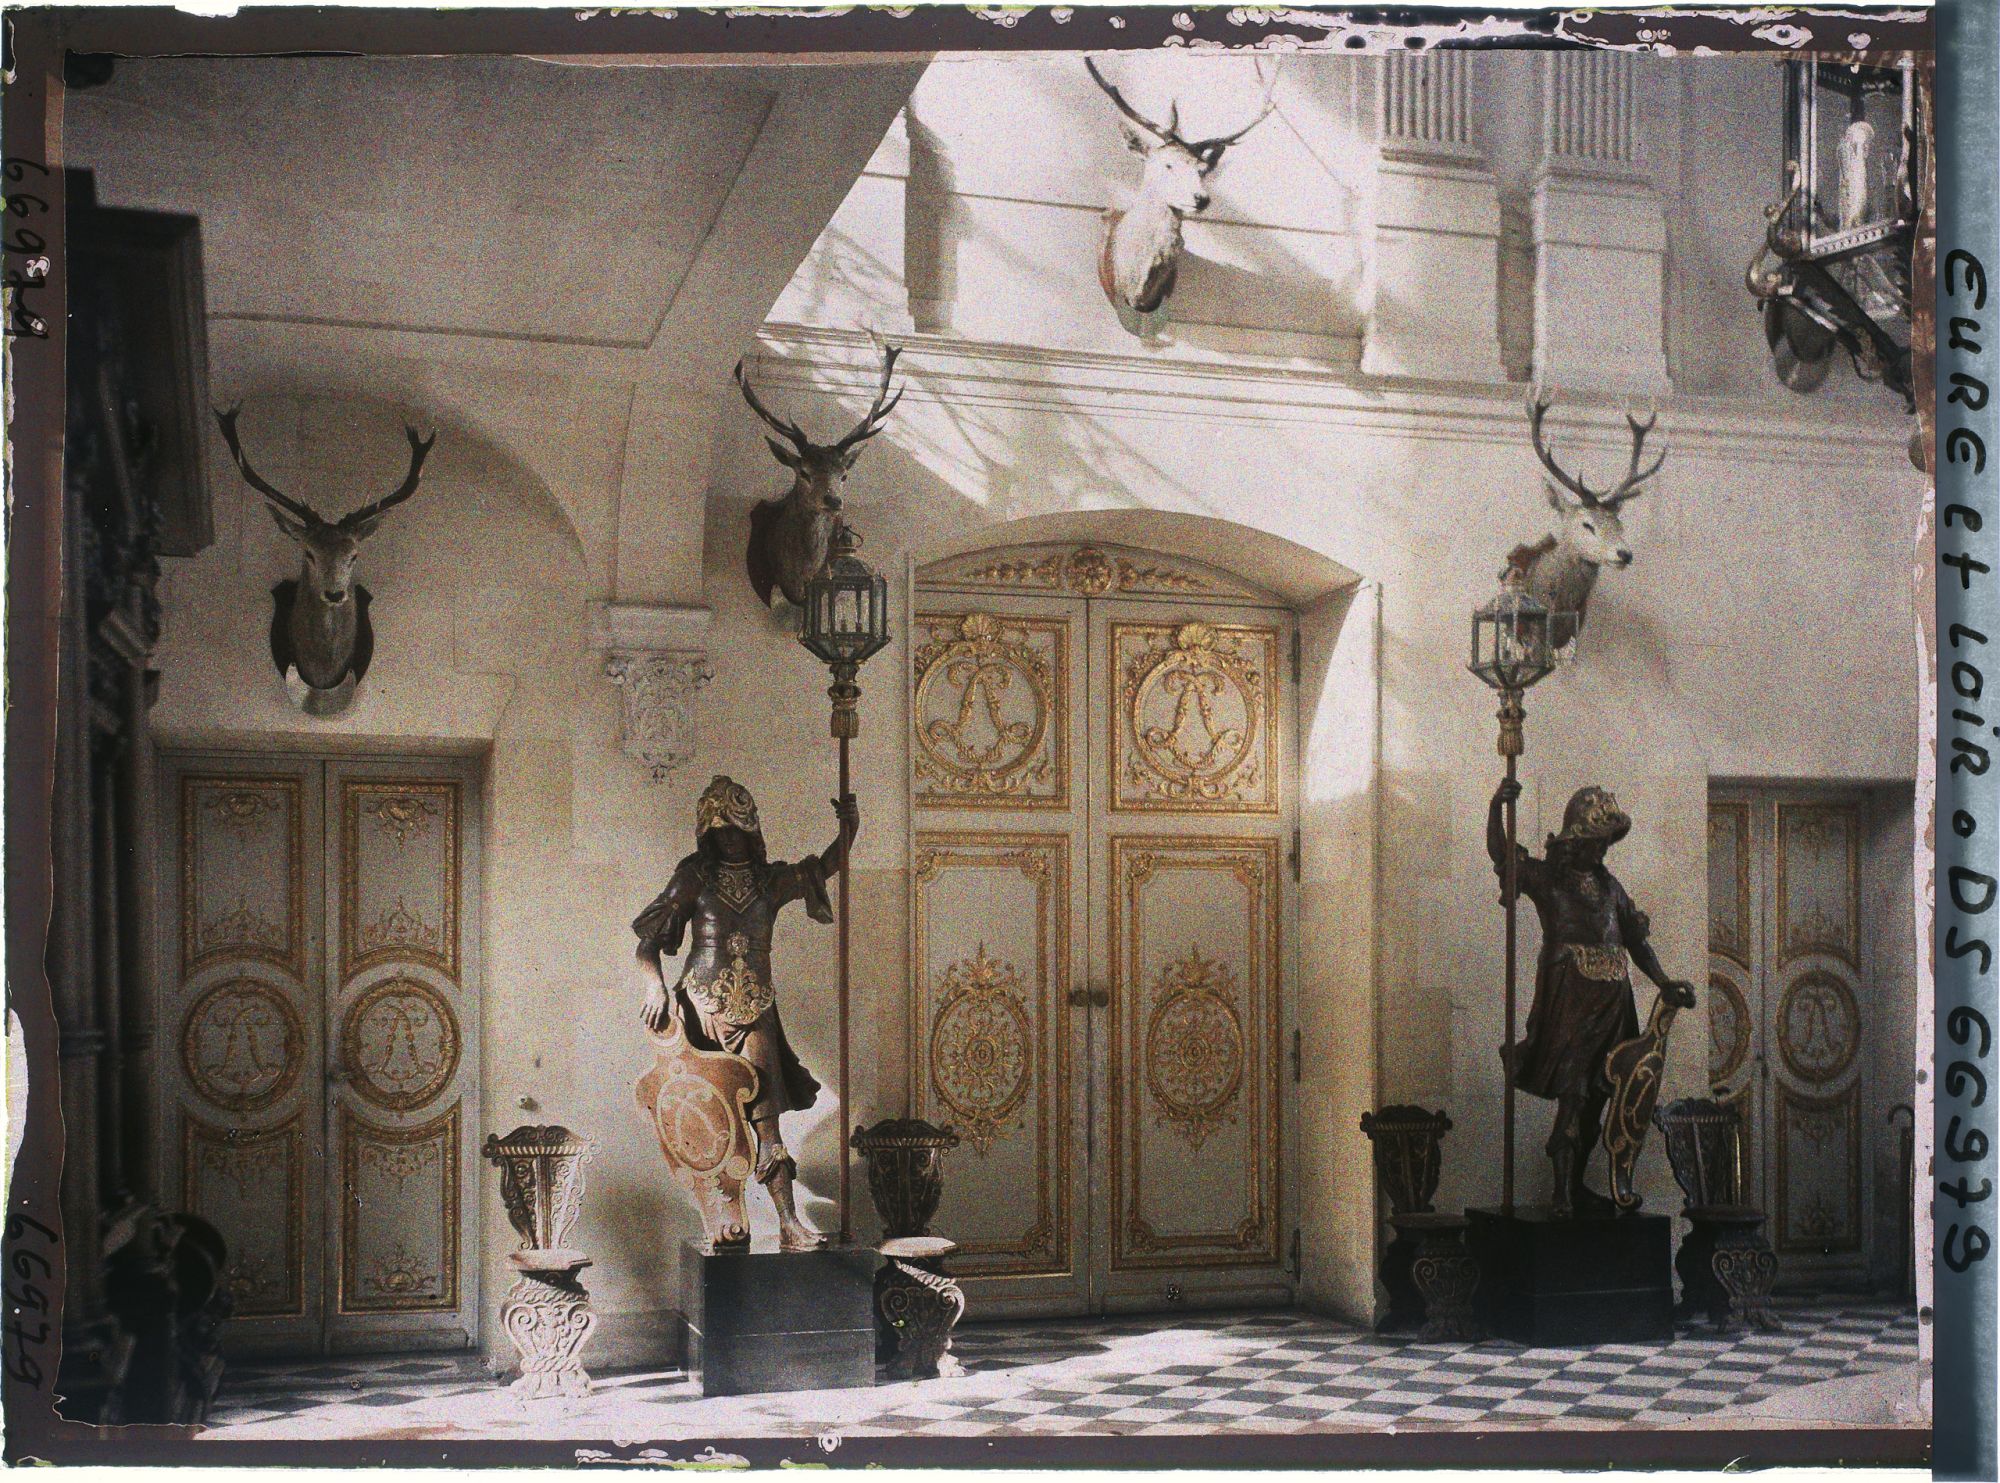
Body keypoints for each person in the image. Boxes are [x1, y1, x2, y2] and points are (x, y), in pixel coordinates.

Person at [633, 775, 858, 1251]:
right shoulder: (694, 874)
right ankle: (725, 1222)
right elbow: (649, 941)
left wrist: (849, 827)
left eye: (733, 829)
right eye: (718, 832)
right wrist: (654, 984)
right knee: (708, 1116)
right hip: (699, 1007)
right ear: (707, 834)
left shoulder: (769, 880)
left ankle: (788, 1221)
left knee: (765, 1113)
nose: (726, 838)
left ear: (749, 829)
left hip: (755, 1008)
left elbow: (825, 867)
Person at [1488, 778, 1697, 1218]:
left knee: (1606, 1090)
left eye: (1604, 843)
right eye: (1594, 843)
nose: (1600, 851)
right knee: (1574, 1088)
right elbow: (1504, 856)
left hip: (1614, 999)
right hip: (1570, 995)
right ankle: (1562, 1192)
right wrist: (1496, 807)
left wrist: (1662, 981)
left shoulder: (1610, 887)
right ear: (1575, 841)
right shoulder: (1548, 878)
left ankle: (1577, 1183)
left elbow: (1635, 942)